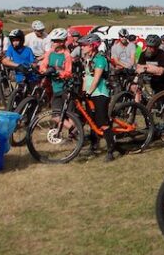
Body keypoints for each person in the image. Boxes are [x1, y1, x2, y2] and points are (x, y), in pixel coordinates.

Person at [79, 33, 118, 161]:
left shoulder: (100, 59)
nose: (82, 47)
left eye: (85, 45)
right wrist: (84, 92)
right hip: (90, 93)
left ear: (92, 46)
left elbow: (96, 79)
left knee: (102, 123)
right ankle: (94, 146)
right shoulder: (88, 58)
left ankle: (110, 150)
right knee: (92, 122)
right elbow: (86, 77)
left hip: (100, 93)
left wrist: (89, 92)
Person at [39, 28, 74, 110]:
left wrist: (58, 72)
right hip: (55, 87)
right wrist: (45, 71)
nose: (53, 43)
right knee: (56, 116)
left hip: (65, 87)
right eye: (52, 41)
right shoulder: (50, 52)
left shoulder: (67, 55)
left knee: (68, 115)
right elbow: (43, 64)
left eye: (55, 41)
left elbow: (68, 72)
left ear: (61, 42)